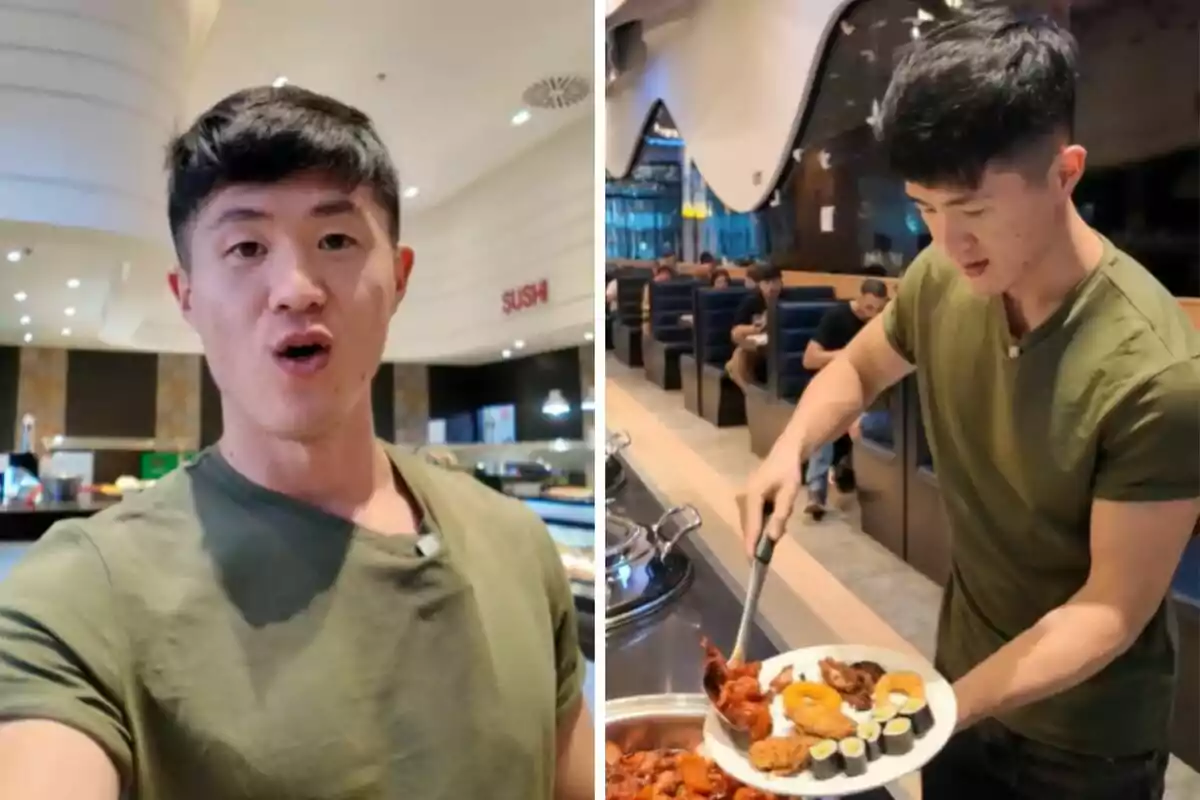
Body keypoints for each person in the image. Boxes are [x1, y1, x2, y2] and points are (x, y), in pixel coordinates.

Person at [0, 86, 593, 799]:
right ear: (185, 296)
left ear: (399, 278)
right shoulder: (79, 596)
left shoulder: (517, 546)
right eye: (245, 247)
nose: (296, 288)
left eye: (336, 240)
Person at [741, 9, 1198, 800]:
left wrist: (939, 709)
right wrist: (791, 447)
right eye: (925, 209)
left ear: (1067, 172)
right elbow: (857, 370)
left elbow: (1111, 612)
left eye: (976, 211)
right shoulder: (940, 280)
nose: (950, 245)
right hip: (964, 689)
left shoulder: (1157, 374)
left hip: (1086, 744)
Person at [799, 279, 889, 519]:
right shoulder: (837, 317)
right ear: (859, 299)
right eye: (869, 308)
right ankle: (816, 490)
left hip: (870, 389)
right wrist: (846, 356)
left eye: (879, 310)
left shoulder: (883, 322)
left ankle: (846, 467)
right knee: (828, 415)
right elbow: (809, 359)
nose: (873, 316)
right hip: (835, 385)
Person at [726, 264, 783, 390]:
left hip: (781, 347)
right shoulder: (751, 302)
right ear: (760, 285)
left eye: (776, 282)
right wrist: (757, 328)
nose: (772, 287)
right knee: (741, 353)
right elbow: (736, 332)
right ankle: (749, 393)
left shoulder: (787, 301)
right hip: (756, 348)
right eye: (767, 282)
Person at [641, 261, 675, 337]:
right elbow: (646, 309)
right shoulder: (650, 286)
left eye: (666, 273)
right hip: (658, 326)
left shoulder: (676, 286)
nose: (664, 277)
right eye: (663, 273)